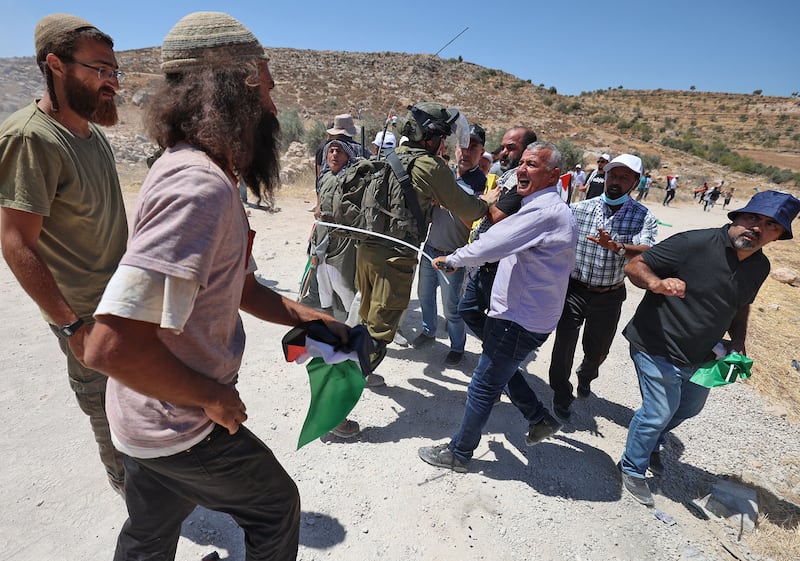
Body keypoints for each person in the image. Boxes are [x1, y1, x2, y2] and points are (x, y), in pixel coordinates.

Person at [82, 12, 349, 559]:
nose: (274, 108)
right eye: (267, 91)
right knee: (276, 508)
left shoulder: (199, 170)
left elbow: (241, 289)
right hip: (179, 422)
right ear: (234, 92)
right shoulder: (198, 187)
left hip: (143, 418)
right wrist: (212, 396)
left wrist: (316, 321)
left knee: (150, 532)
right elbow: (110, 346)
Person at [0, 14, 127, 494]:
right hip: (86, 318)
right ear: (55, 65)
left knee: (137, 404)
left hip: (121, 307)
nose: (112, 82)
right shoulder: (31, 138)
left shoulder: (91, 134)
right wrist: (71, 325)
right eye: (100, 70)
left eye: (115, 71)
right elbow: (15, 241)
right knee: (104, 406)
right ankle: (128, 490)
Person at [618, 190, 800, 507]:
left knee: (688, 408)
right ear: (737, 218)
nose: (757, 228)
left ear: (778, 235)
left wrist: (739, 341)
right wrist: (656, 284)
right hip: (656, 344)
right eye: (752, 218)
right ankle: (632, 467)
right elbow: (636, 265)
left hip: (702, 355)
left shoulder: (759, 267)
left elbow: (741, 306)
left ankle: (652, 441)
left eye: (770, 225)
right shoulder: (693, 243)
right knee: (658, 411)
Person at [417, 141, 578, 472]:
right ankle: (537, 416)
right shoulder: (540, 206)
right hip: (523, 316)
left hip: (518, 319)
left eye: (532, 165)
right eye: (523, 163)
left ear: (555, 175)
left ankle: (459, 453)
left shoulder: (542, 212)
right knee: (487, 347)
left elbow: (495, 243)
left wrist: (454, 259)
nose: (522, 169)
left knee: (483, 383)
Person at [355, 102, 496, 379]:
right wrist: (485, 203)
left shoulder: (394, 155)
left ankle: (359, 369)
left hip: (367, 249)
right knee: (381, 331)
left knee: (367, 316)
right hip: (394, 258)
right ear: (431, 138)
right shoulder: (431, 166)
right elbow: (467, 209)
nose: (444, 144)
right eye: (442, 138)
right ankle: (345, 392)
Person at [548, 155, 658, 422]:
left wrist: (619, 247)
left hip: (609, 294)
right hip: (574, 290)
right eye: (612, 176)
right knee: (563, 344)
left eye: (623, 178)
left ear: (635, 182)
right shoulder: (580, 209)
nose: (616, 182)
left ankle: (587, 374)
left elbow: (648, 250)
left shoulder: (643, 217)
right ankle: (561, 394)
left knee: (598, 349)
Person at [414, 123, 487, 366]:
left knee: (451, 308)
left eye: (473, 147)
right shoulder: (443, 173)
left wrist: (447, 202)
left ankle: (457, 347)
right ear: (455, 148)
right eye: (462, 146)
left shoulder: (481, 183)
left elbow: (472, 220)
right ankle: (428, 331)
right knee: (424, 296)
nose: (466, 152)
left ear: (482, 151)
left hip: (454, 256)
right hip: (431, 247)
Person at [458, 126, 538, 340]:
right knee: (467, 310)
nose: (503, 153)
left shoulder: (521, 180)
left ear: (528, 150)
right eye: (502, 148)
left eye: (510, 148)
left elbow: (495, 216)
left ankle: (496, 352)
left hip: (501, 266)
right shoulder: (507, 176)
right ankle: (495, 348)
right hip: (486, 263)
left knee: (497, 320)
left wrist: (481, 202)